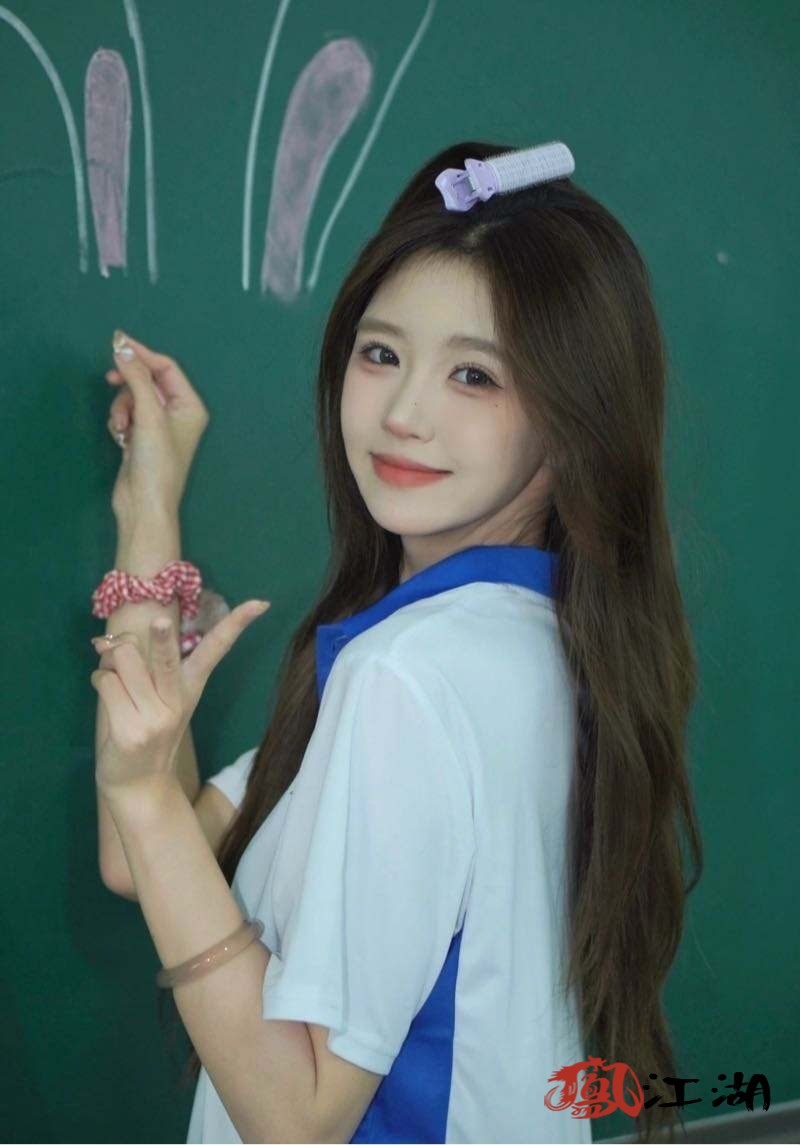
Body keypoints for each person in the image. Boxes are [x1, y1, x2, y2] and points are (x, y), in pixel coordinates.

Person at [95, 140, 703, 1145]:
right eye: (380, 354)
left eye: (474, 374)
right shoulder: (539, 639)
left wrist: (139, 793)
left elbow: (296, 1118)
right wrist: (147, 507)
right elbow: (153, 858)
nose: (404, 413)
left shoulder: (407, 677)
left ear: (571, 416)